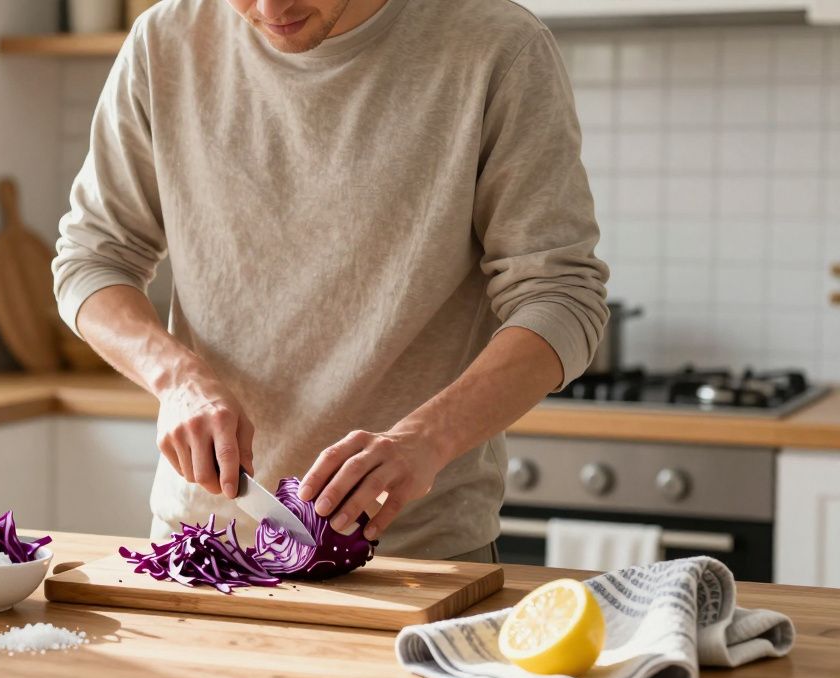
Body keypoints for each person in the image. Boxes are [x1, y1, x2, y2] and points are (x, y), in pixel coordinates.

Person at [52, 0, 609, 563]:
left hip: (418, 559)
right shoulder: (162, 42)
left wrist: (425, 439)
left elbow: (561, 296)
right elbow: (91, 260)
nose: (270, 7)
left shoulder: (497, 46)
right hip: (200, 548)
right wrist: (175, 379)